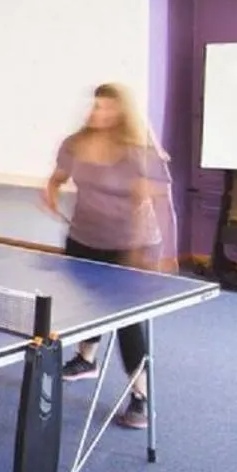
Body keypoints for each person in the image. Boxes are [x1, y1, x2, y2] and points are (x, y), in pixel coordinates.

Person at [39, 82, 178, 431]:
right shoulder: (75, 143)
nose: (99, 112)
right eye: (96, 105)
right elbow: (58, 176)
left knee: (128, 321)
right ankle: (86, 360)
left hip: (131, 244)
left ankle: (141, 396)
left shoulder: (137, 153)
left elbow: (162, 201)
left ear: (122, 112)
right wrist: (52, 191)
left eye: (107, 107)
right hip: (84, 238)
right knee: (86, 305)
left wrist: (165, 254)